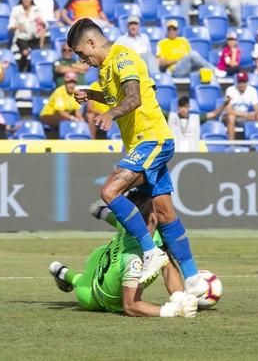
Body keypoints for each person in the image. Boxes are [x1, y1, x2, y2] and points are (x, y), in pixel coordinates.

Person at [68, 18, 208, 296]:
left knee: (109, 191)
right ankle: (193, 279)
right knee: (165, 212)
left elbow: (134, 98)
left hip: (152, 139)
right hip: (143, 143)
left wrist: (108, 115)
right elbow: (118, 95)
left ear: (92, 42)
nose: (84, 61)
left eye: (83, 54)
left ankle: (149, 250)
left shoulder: (123, 58)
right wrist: (93, 94)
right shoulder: (107, 69)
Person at [49, 190, 198, 318]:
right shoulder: (133, 261)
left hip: (102, 256)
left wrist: (179, 297)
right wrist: (173, 310)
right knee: (80, 282)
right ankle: (62, 272)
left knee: (163, 252)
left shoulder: (135, 228)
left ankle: (62, 272)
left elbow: (166, 263)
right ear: (153, 218)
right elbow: (131, 306)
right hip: (93, 294)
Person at [156, 19, 224, 78]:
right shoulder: (162, 43)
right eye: (169, 29)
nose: (172, 31)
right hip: (174, 69)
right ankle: (215, 70)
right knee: (193, 54)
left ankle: (212, 73)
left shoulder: (183, 40)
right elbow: (161, 63)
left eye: (174, 29)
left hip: (188, 67)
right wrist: (178, 59)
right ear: (167, 31)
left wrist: (184, 58)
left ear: (177, 30)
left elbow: (191, 58)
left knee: (199, 62)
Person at [8, 0, 46, 72]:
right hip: (21, 38)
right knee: (25, 52)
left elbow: (43, 27)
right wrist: (17, 27)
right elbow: (10, 27)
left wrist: (41, 44)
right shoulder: (16, 9)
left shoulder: (36, 10)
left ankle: (32, 72)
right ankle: (21, 70)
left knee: (37, 55)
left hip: (34, 38)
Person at [224, 71, 258, 140]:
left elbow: (257, 109)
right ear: (237, 82)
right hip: (232, 116)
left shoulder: (252, 90)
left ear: (247, 82)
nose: (242, 84)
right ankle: (231, 144)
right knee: (231, 117)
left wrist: (253, 114)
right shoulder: (230, 90)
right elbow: (228, 110)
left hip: (244, 116)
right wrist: (245, 115)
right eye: (240, 82)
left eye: (244, 82)